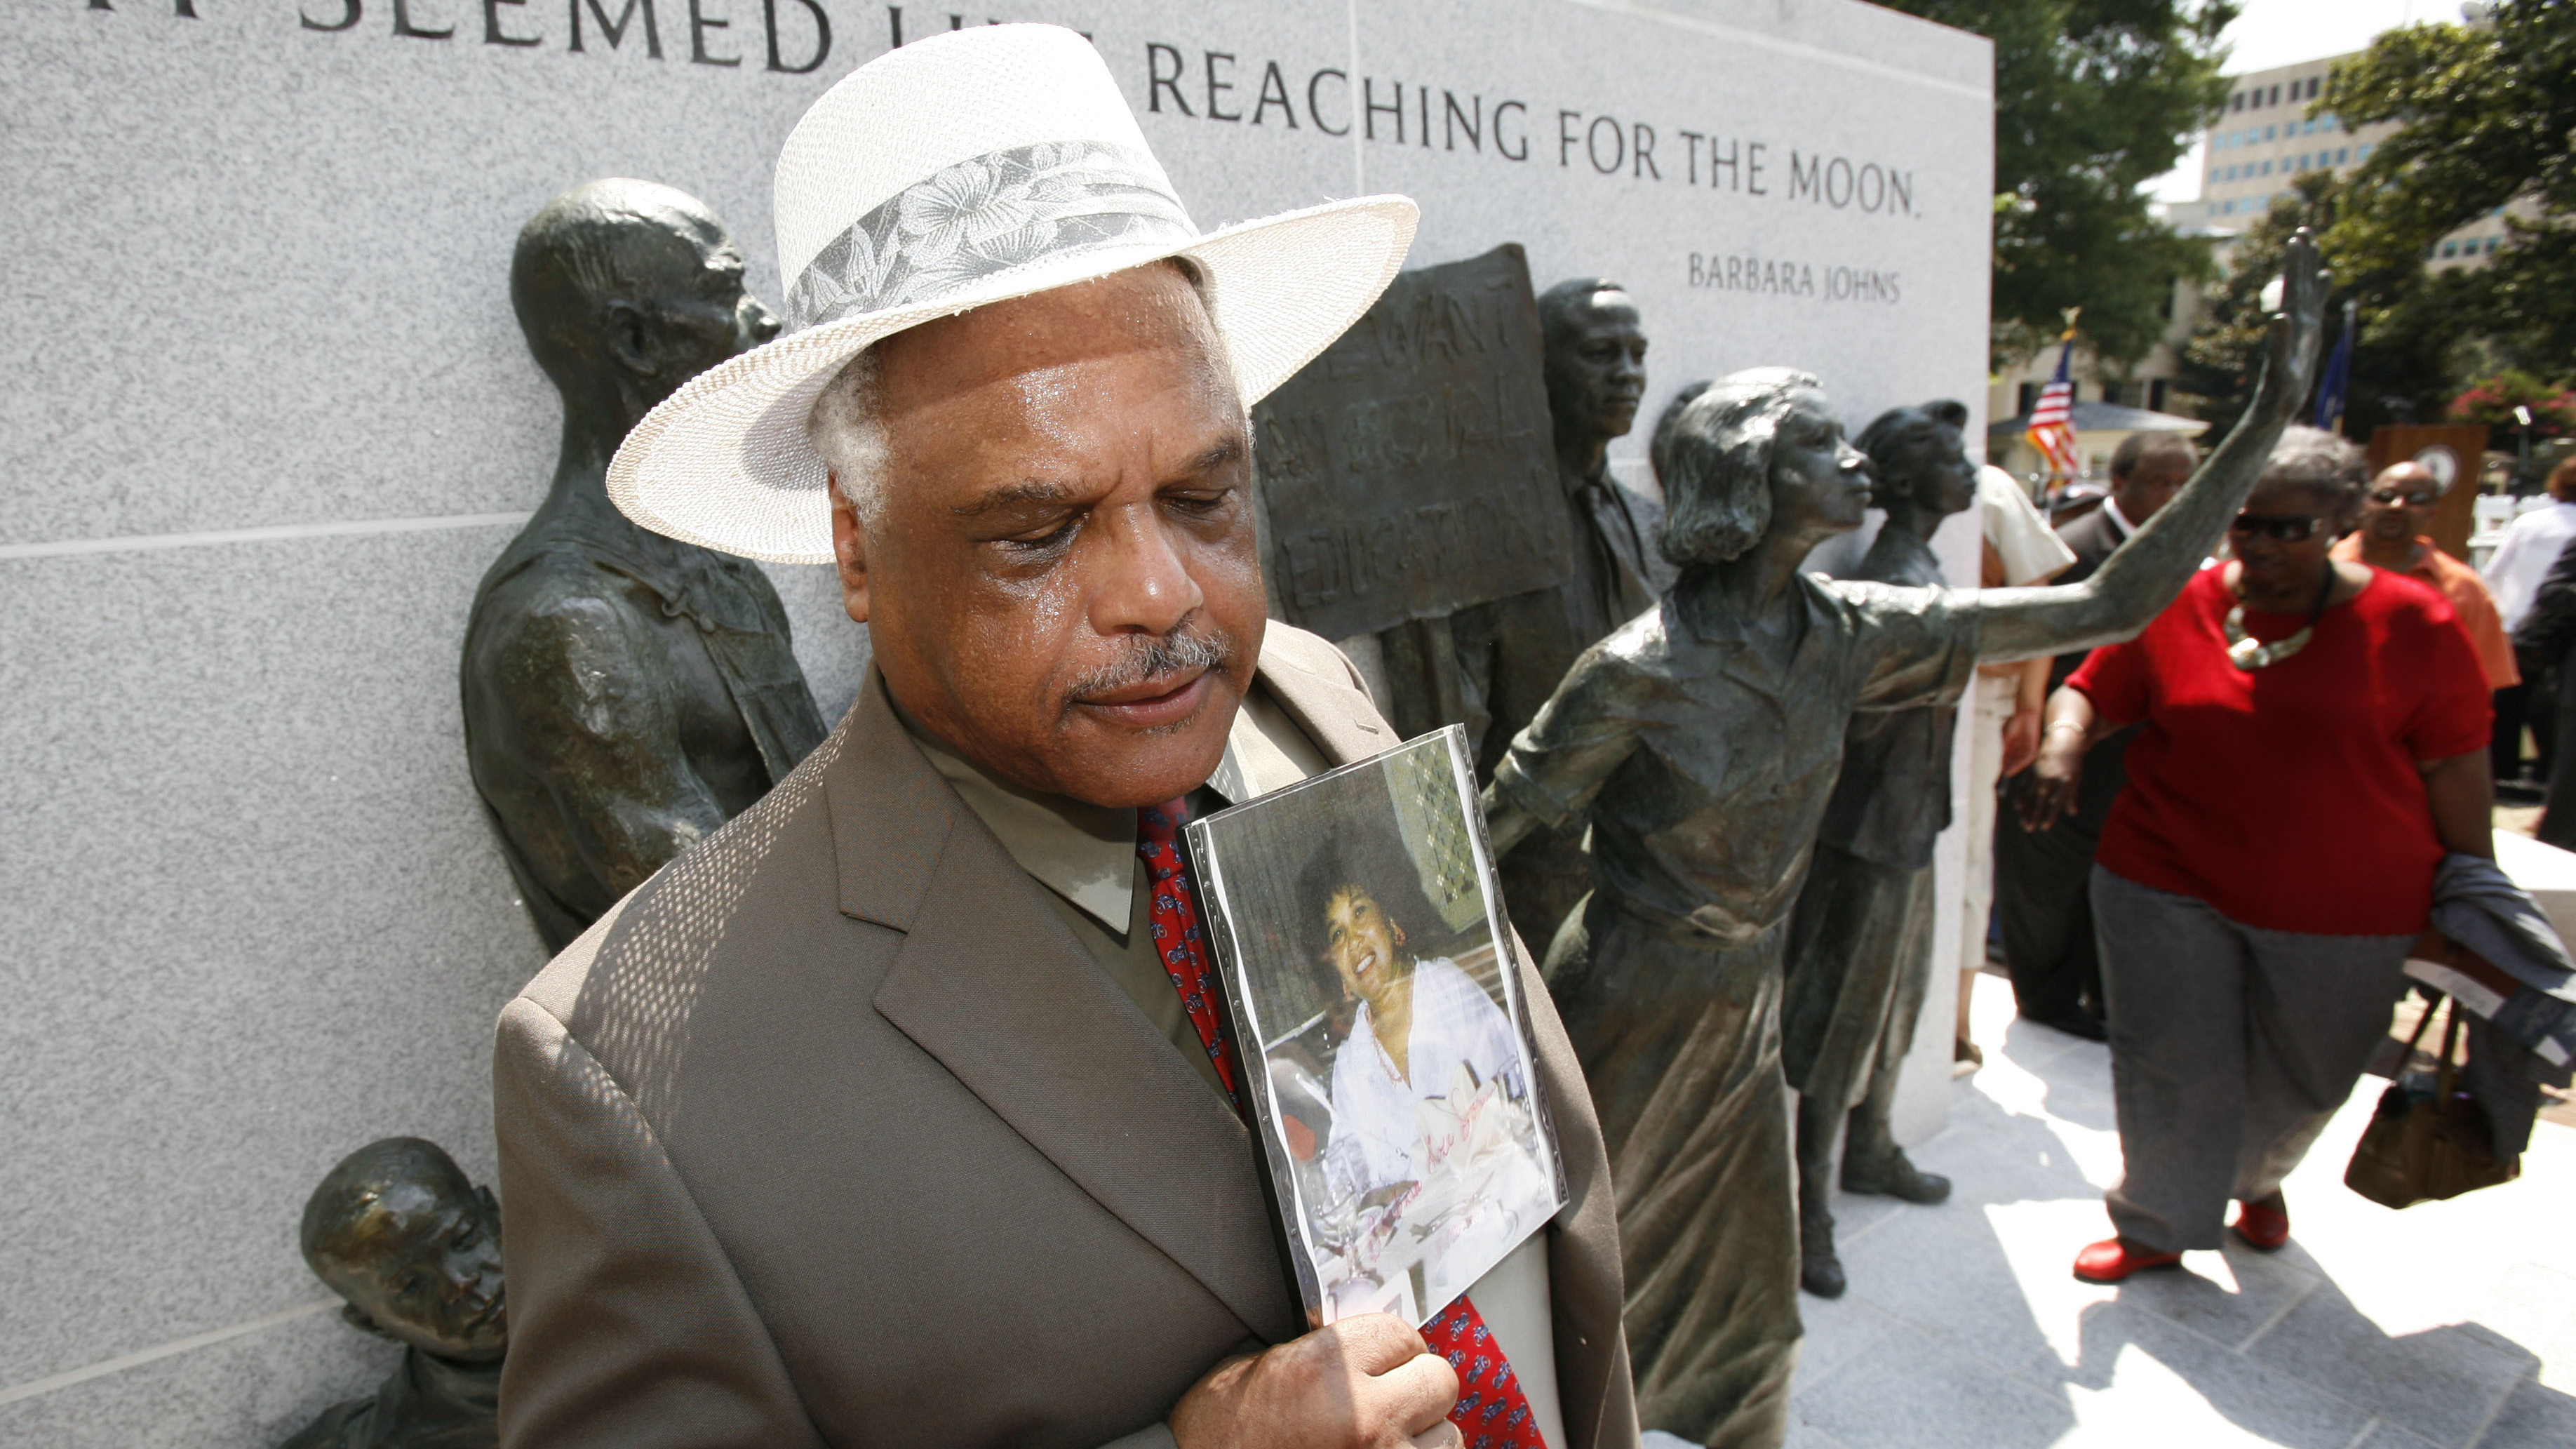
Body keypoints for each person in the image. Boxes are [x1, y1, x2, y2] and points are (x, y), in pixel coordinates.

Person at [490, 27, 1637, 1449]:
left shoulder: (1311, 696)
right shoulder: (629, 1080)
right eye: (1039, 531)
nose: (1163, 592)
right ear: (858, 550)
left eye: (1206, 496)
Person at [1480, 243, 2320, 1449]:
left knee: (1749, 1306)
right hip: (1625, 1003)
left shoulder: (1851, 633)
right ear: (1754, 480)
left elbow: (2104, 607)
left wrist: (2265, 418)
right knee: (1588, 1274)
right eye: (1821, 444)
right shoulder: (1635, 673)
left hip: (1740, 1005)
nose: (1856, 458)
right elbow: (1489, 827)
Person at [2018, 428, 2495, 1283]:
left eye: (2291, 527)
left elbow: (2457, 763)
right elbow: (2093, 685)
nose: (2264, 544)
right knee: (2168, 1058)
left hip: (2349, 903)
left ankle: (2255, 1176)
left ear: (2340, 520)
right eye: (2245, 523)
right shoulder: (2183, 599)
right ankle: (2159, 1217)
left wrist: (2472, 888)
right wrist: (2061, 743)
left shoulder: (2417, 622)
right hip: (2164, 878)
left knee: (2307, 1077)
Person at [461, 180, 828, 954]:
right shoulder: (567, 626)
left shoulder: (712, 567)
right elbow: (711, 934)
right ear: (635, 342)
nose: (762, 319)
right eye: (724, 290)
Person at [1780, 400, 1982, 1302]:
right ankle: (1809, 1206)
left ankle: (1874, 1146)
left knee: (1901, 1001)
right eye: (1949, 456)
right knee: (1840, 1023)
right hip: (1866, 837)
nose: (1969, 466)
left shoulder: (1924, 564)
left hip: (1912, 824)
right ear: (1902, 480)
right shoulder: (1894, 582)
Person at [1454, 279, 1673, 951]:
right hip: (1527, 877)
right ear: (1539, 367)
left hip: (1642, 873)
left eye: (1637, 354)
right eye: (1602, 354)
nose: (1628, 375)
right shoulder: (1486, 533)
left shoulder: (1651, 525)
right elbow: (1454, 719)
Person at [1302, 854, 1555, 1344]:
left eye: (1359, 912)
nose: (1353, 938)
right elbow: (1354, 1184)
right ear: (1338, 970)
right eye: (1336, 933)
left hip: (1510, 1238)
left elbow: (1524, 1118)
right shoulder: (1352, 1066)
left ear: (1393, 923)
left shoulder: (1449, 993)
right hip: (1428, 1279)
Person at [1995, 432, 2198, 1041]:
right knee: (2046, 885)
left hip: (2144, 758)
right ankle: (2047, 1000)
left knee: (2122, 884)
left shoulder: (2188, 556)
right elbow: (2043, 652)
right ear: (2120, 482)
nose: (2174, 495)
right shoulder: (2073, 551)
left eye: (2184, 482)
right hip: (2069, 745)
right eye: (2160, 481)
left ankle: (2108, 995)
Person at [1955, 465, 2077, 1069]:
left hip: (1980, 700)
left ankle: (1955, 1017)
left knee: (1969, 860)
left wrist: (2030, 703)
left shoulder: (1990, 486)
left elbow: (2041, 599)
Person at [283, 1139, 506, 1449]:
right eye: (411, 1286)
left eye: (465, 1238)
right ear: (373, 1324)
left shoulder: (593, 1289)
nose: (461, 1282)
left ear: (491, 1211)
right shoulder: (402, 1438)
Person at [2330, 460, 2517, 688]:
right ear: (2363, 503)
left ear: (2433, 512)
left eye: (2416, 500)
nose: (2397, 506)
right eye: (2385, 496)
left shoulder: (2463, 587)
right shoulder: (2321, 570)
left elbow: (2484, 680)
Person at [2481, 456, 2576, 784]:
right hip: (2564, 633)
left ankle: (2502, 774)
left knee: (2508, 707)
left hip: (2518, 627)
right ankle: (2545, 776)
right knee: (2554, 713)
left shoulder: (2530, 522)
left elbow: (2493, 573)